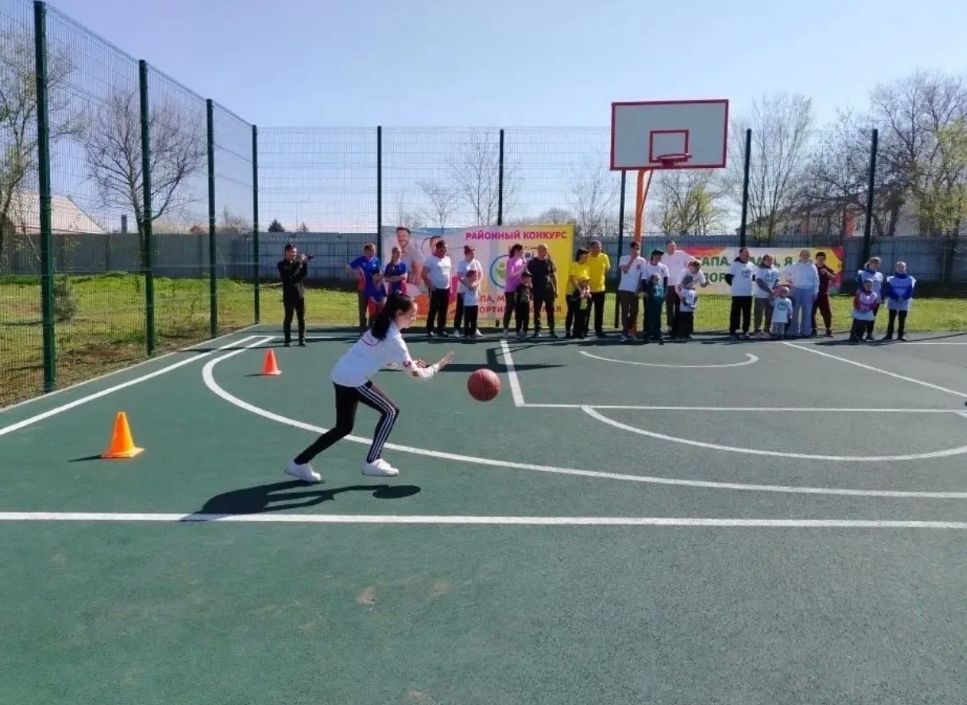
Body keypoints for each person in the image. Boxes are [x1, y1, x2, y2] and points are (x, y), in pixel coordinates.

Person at [285, 294, 454, 483]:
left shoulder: (381, 326)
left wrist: (409, 364)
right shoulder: (394, 338)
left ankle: (299, 462)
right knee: (391, 411)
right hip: (353, 379)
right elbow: (417, 376)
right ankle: (373, 461)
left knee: (343, 428)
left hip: (341, 374)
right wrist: (438, 365)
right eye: (411, 315)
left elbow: (383, 357)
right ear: (399, 313)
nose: (414, 319)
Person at [277, 242, 308, 347]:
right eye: (291, 252)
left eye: (295, 252)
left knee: (301, 318)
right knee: (288, 317)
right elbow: (289, 276)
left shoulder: (297, 263)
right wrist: (299, 263)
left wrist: (305, 263)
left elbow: (302, 274)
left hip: (299, 294)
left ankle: (302, 339)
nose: (293, 254)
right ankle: (287, 340)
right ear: (286, 252)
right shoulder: (281, 265)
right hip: (288, 296)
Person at [347, 243, 384, 328]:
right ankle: (362, 326)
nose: (374, 252)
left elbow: (380, 271)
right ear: (366, 251)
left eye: (374, 250)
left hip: (373, 288)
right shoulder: (360, 260)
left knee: (374, 308)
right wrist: (355, 274)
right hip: (363, 288)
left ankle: (372, 325)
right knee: (362, 308)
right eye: (372, 250)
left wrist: (379, 280)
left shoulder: (376, 260)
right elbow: (347, 267)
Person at [662, 240, 694, 335]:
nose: (673, 248)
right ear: (666, 247)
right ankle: (670, 327)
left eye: (674, 246)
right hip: (668, 286)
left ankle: (679, 327)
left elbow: (693, 261)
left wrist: (688, 272)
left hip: (680, 286)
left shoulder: (681, 254)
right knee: (669, 307)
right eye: (670, 246)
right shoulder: (663, 257)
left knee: (680, 306)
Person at [421, 239, 452, 337]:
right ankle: (430, 329)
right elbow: (423, 274)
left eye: (446, 249)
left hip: (446, 288)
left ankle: (441, 329)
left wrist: (450, 286)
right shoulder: (431, 259)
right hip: (435, 289)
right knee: (433, 309)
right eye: (443, 249)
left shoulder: (448, 259)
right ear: (437, 249)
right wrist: (430, 286)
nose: (444, 251)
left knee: (443, 310)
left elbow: (449, 274)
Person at [785, 249, 820, 337]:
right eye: (803, 254)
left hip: (809, 290)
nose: (805, 256)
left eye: (807, 255)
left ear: (809, 256)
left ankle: (805, 332)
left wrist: (815, 292)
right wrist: (790, 280)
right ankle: (793, 331)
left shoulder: (812, 267)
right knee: (794, 311)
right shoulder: (794, 265)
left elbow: (816, 280)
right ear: (800, 256)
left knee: (807, 312)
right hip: (796, 289)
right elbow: (786, 274)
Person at [527, 244, 558, 338]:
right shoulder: (532, 262)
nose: (546, 251)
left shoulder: (550, 261)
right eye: (544, 249)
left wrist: (556, 289)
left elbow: (554, 276)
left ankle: (552, 330)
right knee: (537, 311)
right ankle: (537, 330)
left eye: (546, 249)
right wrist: (530, 290)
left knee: (550, 310)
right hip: (537, 290)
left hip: (549, 290)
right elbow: (528, 278)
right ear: (539, 250)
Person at [616, 242, 645, 342]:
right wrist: (632, 259)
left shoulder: (642, 260)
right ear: (631, 249)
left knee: (634, 311)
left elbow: (641, 276)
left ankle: (626, 331)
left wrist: (638, 289)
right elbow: (624, 270)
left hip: (635, 290)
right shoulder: (623, 258)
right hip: (624, 289)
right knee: (625, 311)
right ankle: (625, 332)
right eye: (635, 248)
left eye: (638, 248)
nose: (637, 250)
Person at [725, 247, 756, 339]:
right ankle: (733, 331)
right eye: (746, 253)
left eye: (748, 253)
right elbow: (728, 277)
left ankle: (746, 331)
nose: (747, 255)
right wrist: (735, 286)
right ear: (740, 254)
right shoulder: (734, 264)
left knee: (747, 314)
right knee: (735, 313)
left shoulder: (751, 265)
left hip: (748, 293)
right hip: (737, 294)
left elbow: (753, 277)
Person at [883, 261, 916, 341]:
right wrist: (896, 297)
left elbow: (910, 290)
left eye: (902, 267)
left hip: (904, 301)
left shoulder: (910, 279)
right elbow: (889, 290)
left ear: (905, 268)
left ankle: (900, 335)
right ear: (896, 268)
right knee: (891, 319)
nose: (901, 269)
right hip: (893, 300)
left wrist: (903, 297)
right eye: (899, 267)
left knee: (902, 319)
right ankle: (889, 335)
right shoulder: (890, 279)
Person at [454, 245, 483, 337]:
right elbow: (459, 276)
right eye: (471, 253)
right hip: (463, 290)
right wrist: (468, 285)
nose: (473, 255)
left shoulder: (477, 262)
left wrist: (476, 284)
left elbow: (481, 275)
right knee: (460, 311)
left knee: (474, 311)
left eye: (474, 253)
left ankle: (475, 329)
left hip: (475, 290)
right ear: (466, 254)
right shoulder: (461, 263)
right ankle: (457, 330)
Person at [641, 248, 669, 337]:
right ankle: (648, 331)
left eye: (660, 255)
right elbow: (643, 281)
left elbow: (666, 281)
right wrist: (645, 292)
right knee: (648, 312)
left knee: (657, 312)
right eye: (657, 255)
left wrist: (665, 292)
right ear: (653, 255)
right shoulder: (647, 267)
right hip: (649, 293)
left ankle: (657, 331)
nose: (659, 257)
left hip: (659, 293)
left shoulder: (663, 267)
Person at [587, 239, 611, 337]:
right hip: (588, 290)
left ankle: (599, 329)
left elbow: (607, 269)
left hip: (600, 289)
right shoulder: (586, 257)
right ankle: (584, 329)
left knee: (599, 311)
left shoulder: (604, 257)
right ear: (591, 248)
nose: (598, 249)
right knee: (586, 310)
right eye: (596, 247)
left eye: (599, 247)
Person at [856, 257, 884, 340]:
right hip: (864, 300)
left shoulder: (880, 275)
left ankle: (869, 334)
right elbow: (860, 286)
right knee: (862, 316)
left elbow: (881, 287)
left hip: (876, 299)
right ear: (870, 263)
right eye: (874, 263)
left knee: (872, 317)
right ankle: (859, 334)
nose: (876, 265)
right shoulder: (862, 273)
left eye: (877, 263)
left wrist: (882, 297)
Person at [565, 248, 590, 338]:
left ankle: (578, 332)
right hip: (572, 294)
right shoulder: (574, 264)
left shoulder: (587, 266)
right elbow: (573, 280)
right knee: (571, 312)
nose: (587, 256)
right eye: (585, 254)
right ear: (580, 255)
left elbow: (587, 281)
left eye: (587, 254)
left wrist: (587, 291)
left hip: (583, 296)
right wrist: (580, 290)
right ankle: (568, 331)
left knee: (581, 313)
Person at [753, 254, 780, 339]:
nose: (770, 261)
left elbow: (777, 282)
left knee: (769, 314)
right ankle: (757, 331)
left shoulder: (776, 271)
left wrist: (773, 292)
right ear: (763, 260)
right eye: (768, 260)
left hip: (771, 297)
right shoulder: (759, 269)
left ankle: (767, 330)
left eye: (771, 260)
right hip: (760, 296)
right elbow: (760, 282)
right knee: (759, 314)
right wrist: (770, 291)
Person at [502, 243, 526, 336]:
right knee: (509, 310)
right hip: (511, 290)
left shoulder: (522, 260)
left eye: (523, 250)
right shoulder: (510, 261)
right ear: (516, 251)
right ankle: (505, 329)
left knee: (519, 311)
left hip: (520, 289)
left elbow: (524, 275)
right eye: (521, 250)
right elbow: (510, 275)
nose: (523, 252)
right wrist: (521, 269)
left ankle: (518, 330)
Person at [812, 251, 837, 337]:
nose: (820, 260)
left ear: (825, 259)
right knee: (812, 312)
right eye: (819, 259)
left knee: (826, 312)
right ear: (816, 259)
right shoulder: (813, 268)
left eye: (822, 259)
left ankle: (828, 329)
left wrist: (827, 273)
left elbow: (834, 279)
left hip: (823, 294)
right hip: (814, 294)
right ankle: (813, 329)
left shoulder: (827, 269)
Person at [850, 278, 880, 343]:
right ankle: (853, 336)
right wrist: (859, 308)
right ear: (864, 285)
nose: (868, 286)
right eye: (867, 285)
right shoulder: (859, 292)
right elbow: (856, 301)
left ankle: (860, 336)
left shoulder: (874, 294)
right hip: (859, 310)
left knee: (864, 325)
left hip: (867, 311)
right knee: (857, 323)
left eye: (870, 285)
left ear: (872, 286)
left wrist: (868, 309)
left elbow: (874, 304)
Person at [642, 274, 665, 345]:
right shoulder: (649, 286)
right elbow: (647, 295)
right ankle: (647, 336)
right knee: (651, 321)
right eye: (656, 279)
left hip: (658, 306)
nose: (658, 281)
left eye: (658, 279)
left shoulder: (660, 287)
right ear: (652, 280)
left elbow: (662, 296)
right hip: (651, 306)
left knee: (657, 321)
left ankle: (658, 335)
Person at [673, 275, 698, 340]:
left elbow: (695, 299)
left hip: (690, 311)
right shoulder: (683, 291)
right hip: (684, 311)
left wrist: (694, 305)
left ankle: (687, 334)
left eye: (693, 282)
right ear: (687, 283)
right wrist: (690, 305)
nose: (693, 284)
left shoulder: (694, 291)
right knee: (683, 323)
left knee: (689, 323)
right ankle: (680, 335)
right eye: (691, 282)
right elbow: (684, 301)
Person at [462, 269, 481, 339]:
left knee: (474, 319)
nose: (476, 277)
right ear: (469, 276)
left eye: (476, 276)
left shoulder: (477, 283)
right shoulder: (465, 283)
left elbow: (478, 292)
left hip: (475, 304)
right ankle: (466, 333)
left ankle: (473, 333)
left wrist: (477, 299)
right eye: (474, 276)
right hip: (467, 304)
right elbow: (471, 287)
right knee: (467, 320)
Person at [514, 270, 533, 340]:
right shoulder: (519, 287)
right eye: (527, 277)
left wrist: (531, 295)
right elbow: (515, 296)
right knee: (519, 319)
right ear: (523, 278)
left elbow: (531, 297)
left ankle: (525, 332)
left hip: (526, 304)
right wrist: (515, 305)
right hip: (519, 305)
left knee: (526, 318)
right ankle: (518, 332)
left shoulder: (529, 287)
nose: (529, 279)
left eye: (529, 278)